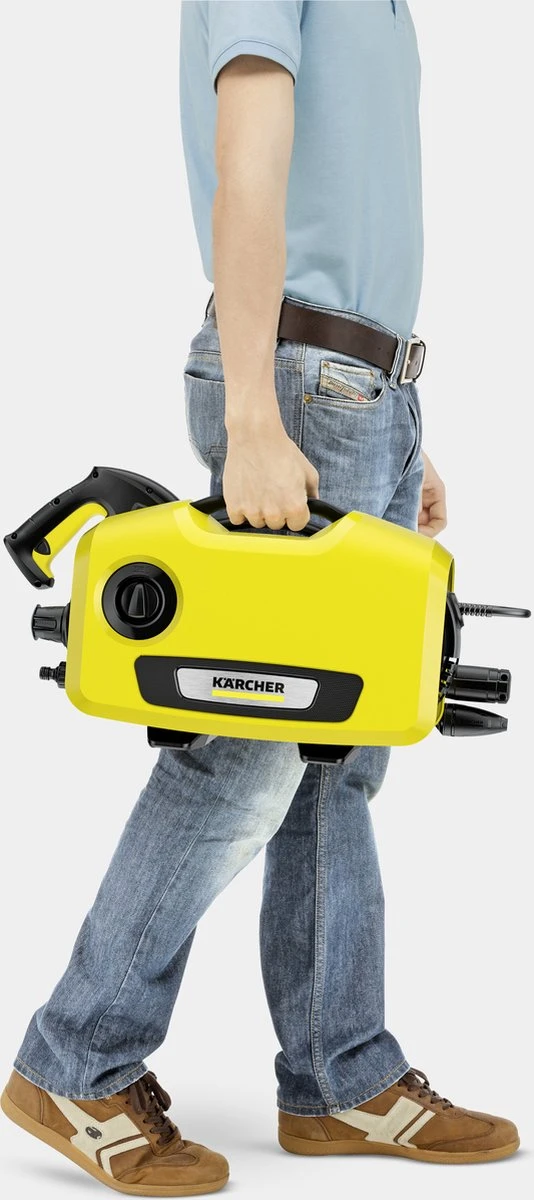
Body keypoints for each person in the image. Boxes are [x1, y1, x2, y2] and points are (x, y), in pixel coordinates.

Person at [1, 1, 520, 1193]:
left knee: (338, 752)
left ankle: (339, 1077)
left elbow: (351, 200)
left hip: (358, 392)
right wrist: (253, 416)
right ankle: (75, 1058)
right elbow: (250, 164)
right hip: (297, 383)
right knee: (244, 751)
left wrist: (398, 436)